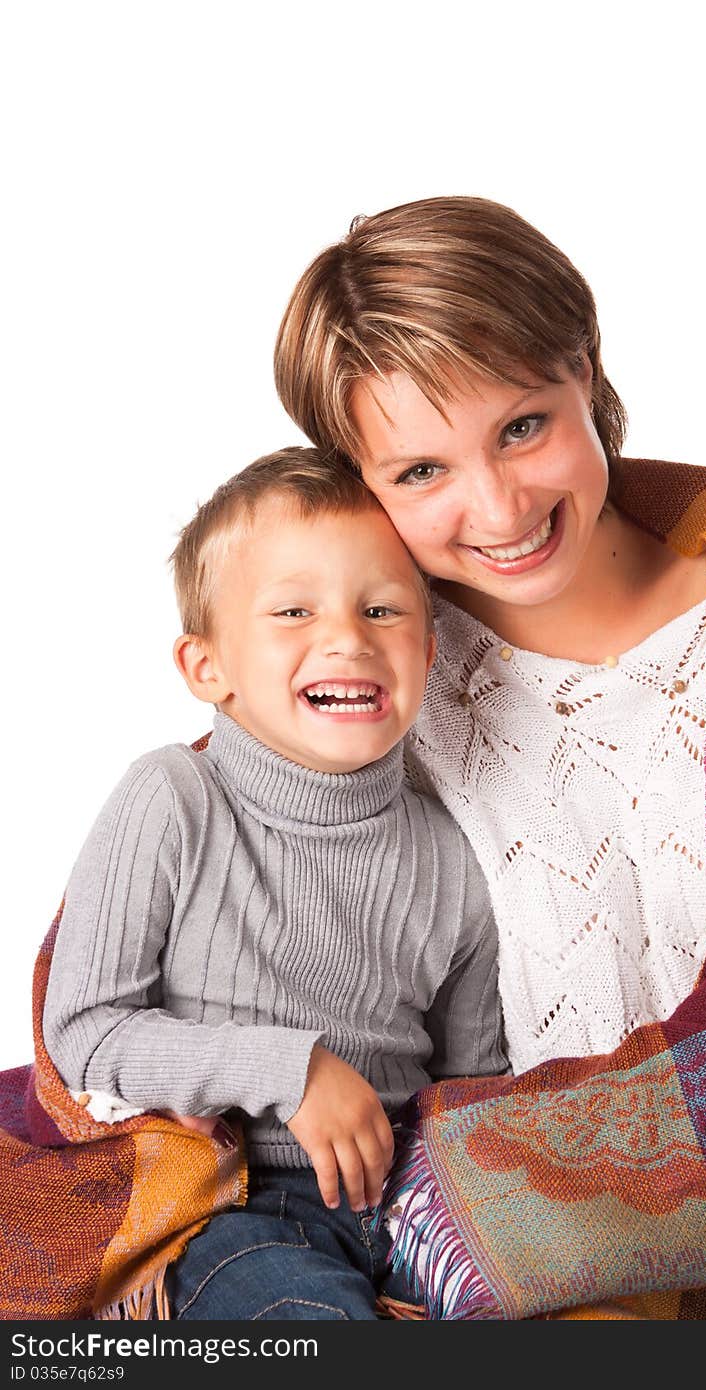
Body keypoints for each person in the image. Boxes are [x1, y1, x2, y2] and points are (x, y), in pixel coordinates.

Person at [272, 196, 706, 1319]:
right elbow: (162, 918)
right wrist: (286, 1073)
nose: (498, 507)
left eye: (521, 427)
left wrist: (457, 1189)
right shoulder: (362, 669)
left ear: (584, 371)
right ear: (359, 483)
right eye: (419, 472)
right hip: (507, 1290)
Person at [41, 446, 506, 1321]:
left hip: (411, 1206)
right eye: (294, 610)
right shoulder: (174, 797)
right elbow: (84, 1033)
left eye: (382, 608)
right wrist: (291, 1070)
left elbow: (472, 1087)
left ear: (430, 648)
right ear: (206, 668)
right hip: (244, 1207)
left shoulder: (452, 854)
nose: (346, 636)